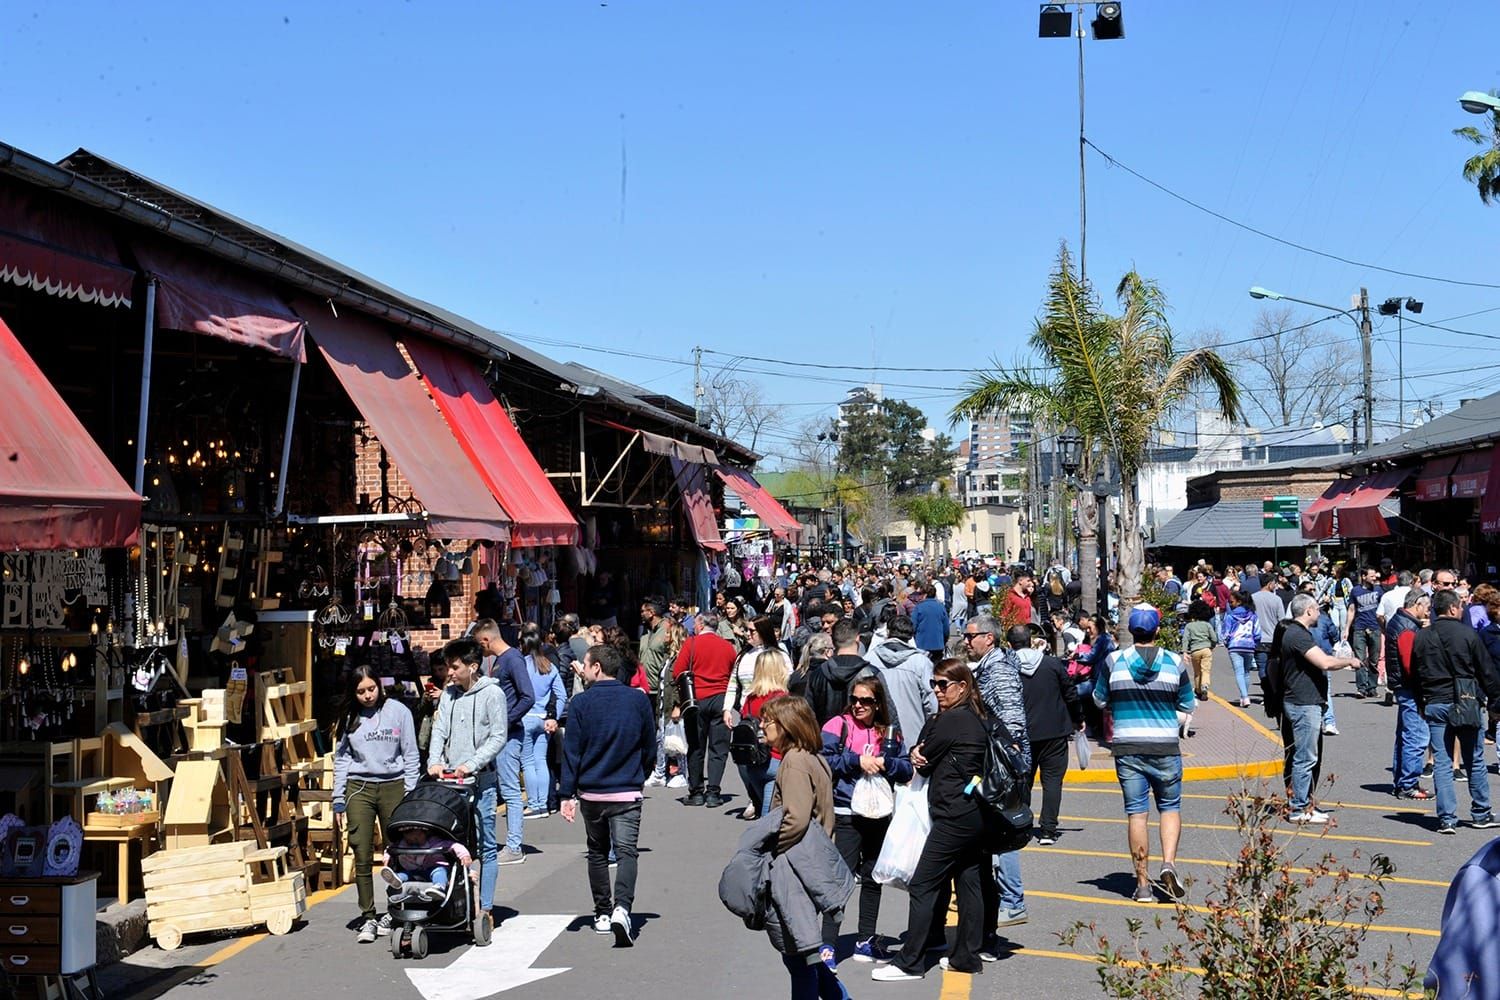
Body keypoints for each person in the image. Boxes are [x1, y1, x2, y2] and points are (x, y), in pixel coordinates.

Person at [872, 660, 995, 981]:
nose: (937, 690)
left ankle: (910, 962)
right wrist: (917, 750)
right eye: (934, 684)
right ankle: (966, 957)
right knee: (969, 884)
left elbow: (923, 761)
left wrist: (916, 751)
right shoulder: (975, 717)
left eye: (943, 684)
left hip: (953, 815)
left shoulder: (951, 720)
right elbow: (923, 752)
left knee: (924, 883)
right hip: (974, 811)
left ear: (963, 687)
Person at [1093, 606, 1194, 903]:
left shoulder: (1114, 661)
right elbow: (1187, 704)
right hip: (1164, 745)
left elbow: (1099, 699)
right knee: (1170, 806)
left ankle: (1142, 884)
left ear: (1131, 630)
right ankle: (1168, 864)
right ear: (1157, 631)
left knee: (1136, 812)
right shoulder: (1174, 662)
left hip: (1128, 746)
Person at [559, 641, 657, 947]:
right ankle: (622, 908)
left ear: (597, 667)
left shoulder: (581, 703)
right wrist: (639, 774)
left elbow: (571, 752)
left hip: (592, 791)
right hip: (627, 789)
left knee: (598, 851)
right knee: (627, 852)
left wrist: (566, 793)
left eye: (585, 665)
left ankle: (602, 911)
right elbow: (649, 747)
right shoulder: (638, 701)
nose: (583, 670)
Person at [759, 696, 851, 1000]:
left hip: (797, 869)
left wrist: (770, 847)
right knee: (805, 953)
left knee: (797, 958)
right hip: (811, 866)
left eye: (767, 720)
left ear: (785, 726)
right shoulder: (812, 757)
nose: (762, 725)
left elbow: (796, 819)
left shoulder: (795, 762)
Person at [819, 674, 913, 964]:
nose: (858, 706)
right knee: (841, 879)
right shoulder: (838, 726)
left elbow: (906, 769)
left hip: (879, 814)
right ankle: (828, 946)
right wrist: (855, 760)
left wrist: (889, 763)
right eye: (854, 700)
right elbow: (823, 759)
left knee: (873, 878)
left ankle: (865, 940)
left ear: (878, 704)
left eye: (866, 701)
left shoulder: (889, 732)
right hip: (847, 813)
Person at [333, 665, 420, 943]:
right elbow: (342, 759)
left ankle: (395, 910)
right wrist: (337, 799)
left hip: (393, 785)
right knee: (361, 849)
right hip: (359, 788)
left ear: (379, 686)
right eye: (361, 692)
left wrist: (410, 791)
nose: (368, 696)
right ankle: (368, 917)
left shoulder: (399, 711)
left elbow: (410, 753)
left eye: (371, 689)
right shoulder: (349, 716)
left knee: (396, 850)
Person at [427, 637, 507, 924]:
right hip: (450, 782)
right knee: (450, 841)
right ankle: (453, 901)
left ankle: (485, 906)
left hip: (481, 779)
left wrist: (471, 764)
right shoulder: (449, 695)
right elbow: (439, 730)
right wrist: (434, 761)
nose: (449, 672)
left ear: (473, 667)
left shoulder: (492, 694)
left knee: (485, 844)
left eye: (455, 666)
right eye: (448, 666)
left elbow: (498, 736)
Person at [1412, 589, 1500, 834]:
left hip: (1435, 702)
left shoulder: (1422, 636)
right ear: (1452, 609)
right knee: (1475, 759)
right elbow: (1487, 672)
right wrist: (1495, 701)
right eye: (1460, 606)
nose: (1462, 610)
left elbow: (1415, 674)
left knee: (1442, 761)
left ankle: (1447, 819)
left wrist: (1421, 703)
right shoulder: (1468, 635)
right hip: (1466, 701)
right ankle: (1481, 813)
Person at [966, 615, 1033, 930]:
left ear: (988, 639)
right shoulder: (989, 667)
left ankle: (1012, 902)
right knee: (993, 831)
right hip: (994, 764)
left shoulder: (1000, 671)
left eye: (971, 637)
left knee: (1004, 831)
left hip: (1002, 768)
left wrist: (1008, 766)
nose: (967, 642)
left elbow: (1013, 722)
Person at [1271, 594, 1360, 825]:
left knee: (1304, 755)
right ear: (1308, 611)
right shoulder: (1297, 635)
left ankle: (1304, 803)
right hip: (1303, 703)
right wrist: (1349, 661)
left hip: (1303, 701)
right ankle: (1299, 807)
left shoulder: (1296, 633)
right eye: (1317, 609)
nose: (1319, 613)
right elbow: (1324, 662)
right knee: (1305, 757)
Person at [1011, 625, 1082, 847]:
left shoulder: (1007, 667)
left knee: (1023, 781)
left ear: (1010, 643)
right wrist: (1078, 719)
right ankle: (1048, 830)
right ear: (1030, 640)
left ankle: (1021, 826)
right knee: (1052, 782)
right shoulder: (1052, 664)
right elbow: (1070, 693)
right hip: (1055, 730)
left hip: (1023, 734)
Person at [473, 619, 535, 866]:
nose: (480, 649)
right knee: (501, 788)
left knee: (510, 790)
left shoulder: (512, 659)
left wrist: (504, 722)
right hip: (501, 735)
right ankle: (502, 843)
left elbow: (528, 696)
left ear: (486, 640)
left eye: (480, 644)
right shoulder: (501, 661)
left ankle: (514, 846)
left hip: (509, 736)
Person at [672, 610, 738, 808]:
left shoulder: (691, 644)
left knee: (696, 746)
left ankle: (696, 791)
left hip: (696, 700)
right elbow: (732, 672)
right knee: (719, 748)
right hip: (721, 699)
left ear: (700, 625)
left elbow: (678, 672)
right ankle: (713, 792)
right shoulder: (728, 647)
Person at [725, 617, 782, 818]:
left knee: (765, 810)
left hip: (758, 753)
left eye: (753, 631)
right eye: (747, 630)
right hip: (769, 753)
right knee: (768, 816)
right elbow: (733, 683)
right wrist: (727, 708)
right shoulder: (744, 656)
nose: (748, 634)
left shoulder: (777, 654)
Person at [1387, 589, 1433, 800]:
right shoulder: (1406, 628)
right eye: (1427, 607)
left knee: (1406, 735)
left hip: (1403, 686)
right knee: (1415, 736)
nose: (1428, 611)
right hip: (1410, 688)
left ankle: (1403, 781)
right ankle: (1408, 784)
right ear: (1417, 605)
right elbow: (1409, 664)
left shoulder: (1401, 622)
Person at [863, 615, 937, 745]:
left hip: (876, 736)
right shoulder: (921, 663)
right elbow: (931, 704)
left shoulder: (869, 658)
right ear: (910, 636)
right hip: (914, 736)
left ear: (888, 632)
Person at [520, 636, 568, 818]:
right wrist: (554, 716)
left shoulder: (522, 666)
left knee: (528, 763)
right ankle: (543, 804)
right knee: (540, 761)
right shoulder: (549, 666)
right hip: (543, 719)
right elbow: (561, 695)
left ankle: (533, 804)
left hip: (525, 718)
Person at [380, 828, 472, 903]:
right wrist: (387, 858)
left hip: (432, 868)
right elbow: (390, 849)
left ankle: (439, 887)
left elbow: (454, 845)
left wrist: (464, 855)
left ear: (425, 833)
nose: (414, 842)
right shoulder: (401, 843)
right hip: (414, 871)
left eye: (417, 838)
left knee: (439, 871)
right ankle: (396, 879)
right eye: (409, 840)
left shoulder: (434, 842)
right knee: (406, 874)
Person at [807, 620, 870, 726]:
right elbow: (887, 713)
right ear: (857, 638)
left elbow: (808, 714)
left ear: (833, 640)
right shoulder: (870, 673)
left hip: (825, 737)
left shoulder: (816, 674)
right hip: (863, 740)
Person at [1345, 566, 1384, 699]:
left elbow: (1382, 610)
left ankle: (1372, 688)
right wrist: (1346, 629)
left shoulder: (1379, 590)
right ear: (1363, 576)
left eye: (1375, 576)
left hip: (1375, 628)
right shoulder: (1355, 591)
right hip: (1359, 629)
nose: (1374, 578)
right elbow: (1351, 610)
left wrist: (1383, 627)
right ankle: (1361, 688)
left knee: (1374, 660)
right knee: (1360, 659)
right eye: (1371, 576)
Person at [1221, 591, 1262, 709]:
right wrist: (1255, 643)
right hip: (1249, 646)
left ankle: (1244, 696)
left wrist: (1227, 643)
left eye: (1231, 602)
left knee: (1239, 672)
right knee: (1246, 672)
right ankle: (1244, 696)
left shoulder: (1230, 616)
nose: (1230, 604)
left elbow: (1225, 634)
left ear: (1238, 602)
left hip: (1235, 645)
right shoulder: (1253, 616)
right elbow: (1258, 633)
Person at [415, 656, 449, 770]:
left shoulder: (453, 684)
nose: (438, 673)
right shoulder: (433, 682)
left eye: (441, 669)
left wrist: (443, 695)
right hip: (431, 728)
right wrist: (426, 699)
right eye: (435, 670)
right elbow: (421, 711)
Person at [1183, 599, 1217, 703]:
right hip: (1206, 649)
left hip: (1195, 651)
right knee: (1205, 670)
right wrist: (1212, 646)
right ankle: (1205, 686)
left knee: (1197, 672)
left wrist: (1185, 651)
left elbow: (1185, 639)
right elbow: (1214, 638)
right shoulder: (1207, 625)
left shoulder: (1189, 626)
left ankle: (1198, 690)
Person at [910, 583, 949, 662]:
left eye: (920, 594)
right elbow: (946, 629)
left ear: (925, 595)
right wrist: (944, 640)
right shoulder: (941, 607)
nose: (919, 596)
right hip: (938, 644)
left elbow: (913, 626)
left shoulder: (919, 608)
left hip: (922, 644)